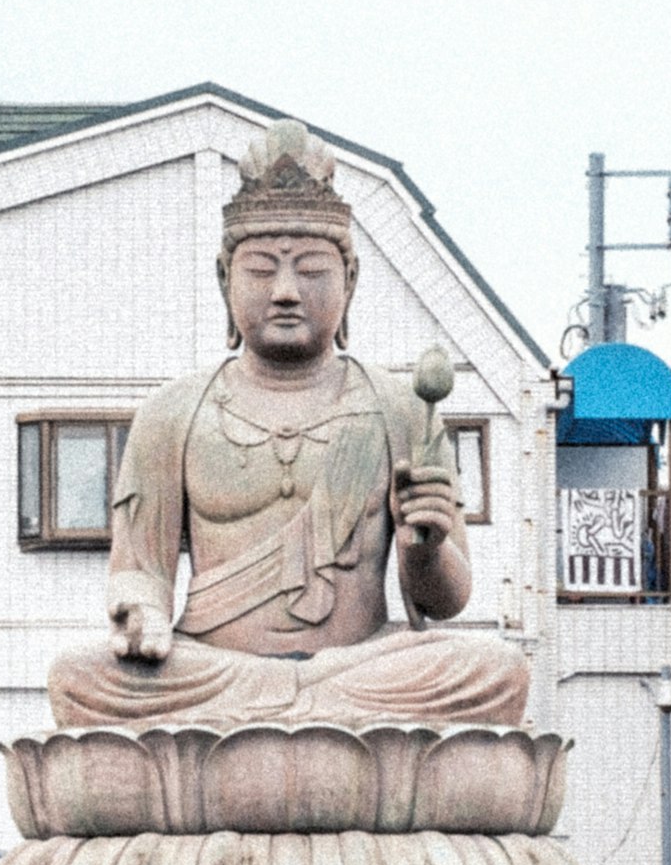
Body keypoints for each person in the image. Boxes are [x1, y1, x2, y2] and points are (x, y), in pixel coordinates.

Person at [45, 121, 529, 731]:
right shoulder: (173, 413)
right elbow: (139, 568)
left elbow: (445, 602)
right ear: (225, 280)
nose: (285, 292)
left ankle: (279, 729)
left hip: (360, 666)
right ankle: (305, 728)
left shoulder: (403, 408)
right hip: (215, 671)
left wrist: (427, 547)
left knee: (497, 670)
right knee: (77, 678)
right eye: (261, 270)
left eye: (311, 269)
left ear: (349, 281)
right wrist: (141, 609)